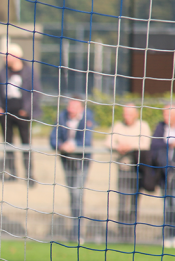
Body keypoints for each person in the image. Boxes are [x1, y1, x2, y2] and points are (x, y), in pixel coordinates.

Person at [0, 43, 41, 185]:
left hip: (23, 114)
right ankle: (11, 172)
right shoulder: (3, 72)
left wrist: (26, 109)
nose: (4, 59)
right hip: (6, 113)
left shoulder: (28, 71)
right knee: (8, 144)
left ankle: (29, 174)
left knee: (25, 144)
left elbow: (35, 92)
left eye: (6, 56)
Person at [49, 97, 95, 243]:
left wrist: (74, 144)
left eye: (74, 106)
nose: (71, 109)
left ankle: (78, 233)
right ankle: (75, 232)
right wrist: (62, 145)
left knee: (77, 193)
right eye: (70, 106)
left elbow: (87, 140)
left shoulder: (88, 117)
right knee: (73, 195)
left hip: (82, 162)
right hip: (67, 161)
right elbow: (52, 138)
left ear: (80, 107)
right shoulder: (61, 116)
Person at [106, 103, 152, 239]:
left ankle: (131, 233)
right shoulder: (118, 126)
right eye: (125, 114)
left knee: (134, 201)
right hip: (123, 169)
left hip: (138, 170)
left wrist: (130, 146)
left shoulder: (143, 126)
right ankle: (122, 232)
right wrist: (118, 147)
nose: (127, 117)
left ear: (136, 114)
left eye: (130, 114)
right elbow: (107, 141)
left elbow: (146, 143)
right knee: (122, 201)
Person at [150, 104, 175, 248]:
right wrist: (169, 144)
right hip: (164, 173)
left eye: (168, 114)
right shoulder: (160, 127)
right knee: (167, 204)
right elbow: (155, 145)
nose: (165, 117)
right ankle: (168, 235)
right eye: (164, 114)